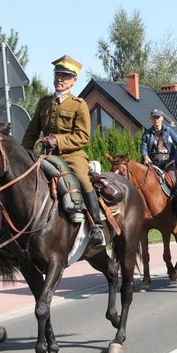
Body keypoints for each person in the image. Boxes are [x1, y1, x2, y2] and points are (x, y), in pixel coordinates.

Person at [20, 55, 105, 248]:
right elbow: (31, 133)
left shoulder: (78, 104)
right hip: (46, 156)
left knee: (82, 179)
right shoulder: (44, 103)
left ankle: (96, 227)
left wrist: (57, 140)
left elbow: (83, 137)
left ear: (74, 81)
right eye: (58, 74)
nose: (60, 78)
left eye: (65, 76)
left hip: (71, 155)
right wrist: (25, 155)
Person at [140, 108, 177, 218]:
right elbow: (143, 148)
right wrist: (146, 157)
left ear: (162, 118)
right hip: (152, 164)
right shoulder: (147, 133)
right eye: (153, 117)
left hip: (168, 163)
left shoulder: (169, 131)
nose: (156, 119)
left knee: (175, 183)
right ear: (151, 119)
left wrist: (174, 159)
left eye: (158, 117)